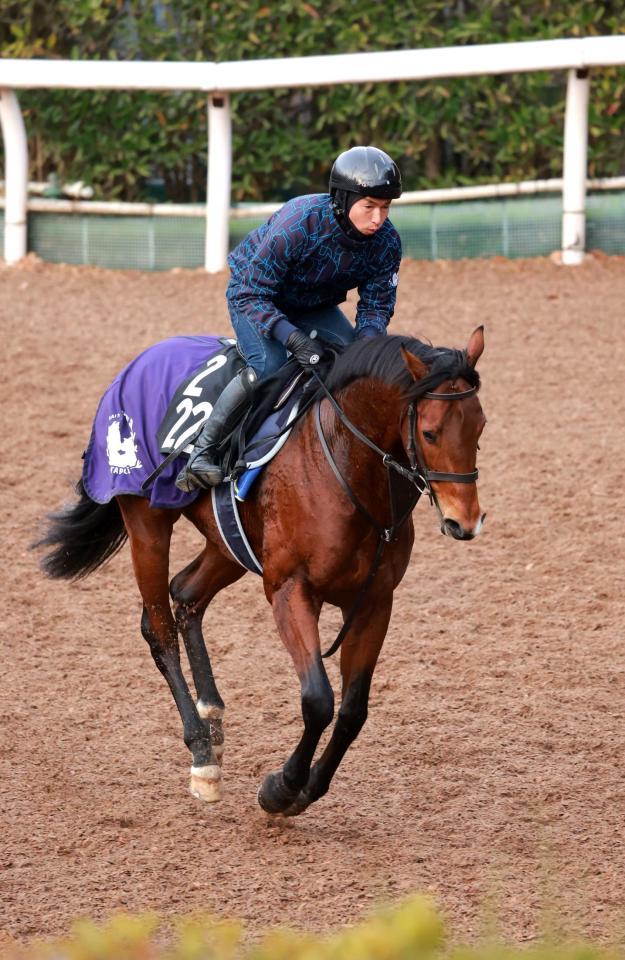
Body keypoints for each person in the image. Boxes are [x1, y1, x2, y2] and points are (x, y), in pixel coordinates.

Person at [176, 144, 402, 491]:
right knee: (269, 366)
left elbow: (375, 307)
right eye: (369, 206)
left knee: (353, 367)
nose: (378, 219)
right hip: (255, 296)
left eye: (385, 208)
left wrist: (366, 349)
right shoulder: (298, 222)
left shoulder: (387, 243)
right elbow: (251, 292)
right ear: (342, 200)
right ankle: (202, 453)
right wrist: (292, 338)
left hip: (313, 305)